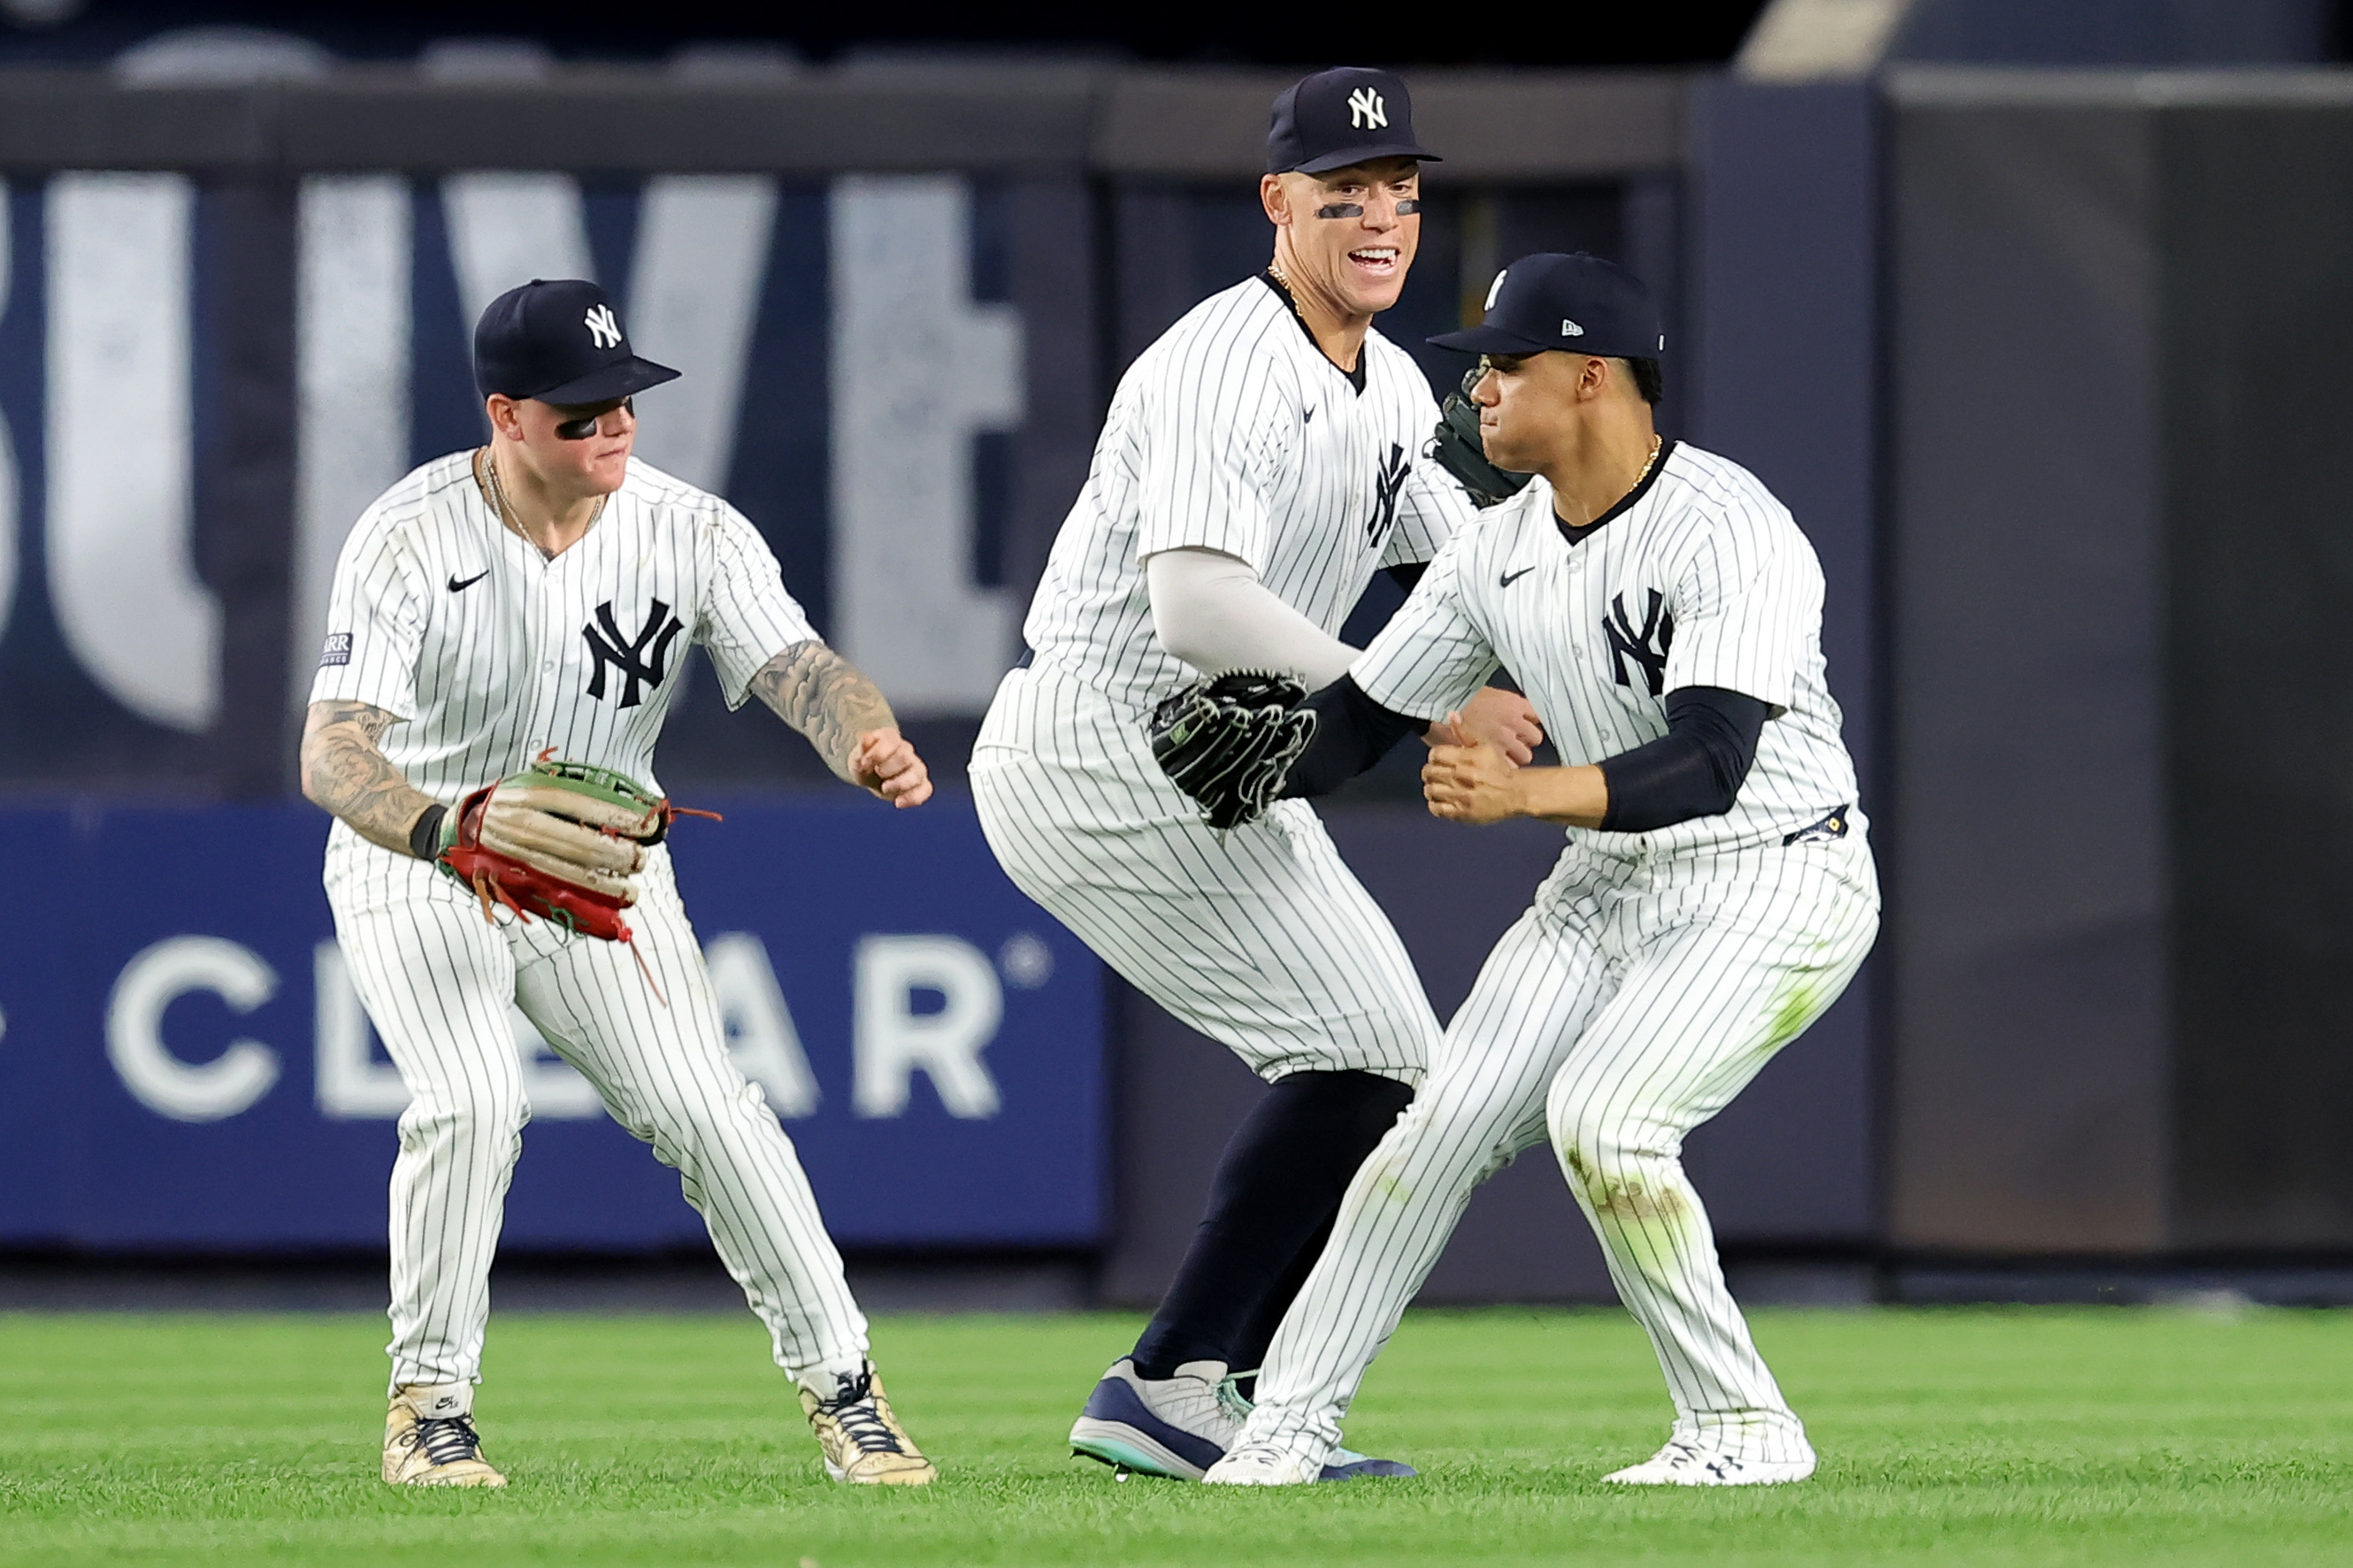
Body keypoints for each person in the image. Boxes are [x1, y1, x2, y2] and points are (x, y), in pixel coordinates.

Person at [1199, 252, 1881, 1487]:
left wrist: (1525, 792)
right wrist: (1258, 763)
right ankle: (1286, 1426)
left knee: (1609, 1124)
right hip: (1603, 888)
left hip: (1773, 873)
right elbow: (1364, 717)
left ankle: (1742, 1427)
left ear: (1591, 378)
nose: (1481, 397)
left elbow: (1713, 759)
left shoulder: (1732, 527)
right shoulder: (1491, 549)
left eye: (1506, 369)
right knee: (1430, 1135)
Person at [969, 66, 1542, 1481]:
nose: (1379, 223)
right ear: (1277, 202)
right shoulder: (1225, 358)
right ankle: (1177, 1380)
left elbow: (1465, 570)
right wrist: (1389, 687)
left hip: (1210, 756)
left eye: (1400, 199)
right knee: (1364, 1056)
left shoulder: (1392, 379)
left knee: (1403, 1071)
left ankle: (1193, 1384)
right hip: (1102, 742)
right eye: (1344, 197)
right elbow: (1196, 605)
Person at [300, 278, 938, 1488]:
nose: (613, 430)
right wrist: (446, 829)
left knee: (714, 1108)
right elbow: (332, 751)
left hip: (596, 863)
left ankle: (847, 1392)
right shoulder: (407, 534)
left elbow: (801, 664)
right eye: (581, 412)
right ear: (506, 414)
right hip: (426, 860)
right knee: (473, 1100)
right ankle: (427, 1409)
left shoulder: (687, 528)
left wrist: (863, 735)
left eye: (624, 405)